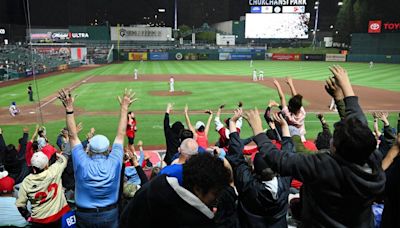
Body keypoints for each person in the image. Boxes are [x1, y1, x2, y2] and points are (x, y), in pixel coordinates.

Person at [243, 65, 386, 227]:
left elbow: (278, 160)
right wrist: (342, 94)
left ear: (337, 149)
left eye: (334, 140)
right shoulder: (373, 159)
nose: (331, 140)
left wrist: (258, 131)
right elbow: (358, 123)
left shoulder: (324, 166)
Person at [57, 88, 136, 228]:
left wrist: (69, 109)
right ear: (107, 151)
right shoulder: (114, 160)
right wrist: (124, 109)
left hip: (84, 215)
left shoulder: (81, 161)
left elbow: (72, 136)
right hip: (110, 214)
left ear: (90, 150)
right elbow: (120, 134)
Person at [120, 153, 231, 228]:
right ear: (198, 189)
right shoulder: (201, 221)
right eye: (215, 193)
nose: (216, 199)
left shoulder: (157, 184)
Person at [227, 109, 293, 227]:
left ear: (253, 168)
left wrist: (232, 123)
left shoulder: (247, 183)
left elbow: (236, 156)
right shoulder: (284, 180)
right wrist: (284, 126)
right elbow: (289, 155)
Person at [16, 151, 70, 227]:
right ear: (46, 165)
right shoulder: (54, 171)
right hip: (58, 216)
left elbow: (20, 205)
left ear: (32, 166)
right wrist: (58, 155)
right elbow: (64, 159)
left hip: (38, 220)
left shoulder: (27, 182)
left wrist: (28, 217)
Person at [273, 77, 307, 142]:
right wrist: (291, 84)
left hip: (291, 139)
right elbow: (295, 97)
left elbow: (282, 98)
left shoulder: (287, 114)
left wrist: (277, 85)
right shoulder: (303, 113)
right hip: (302, 139)